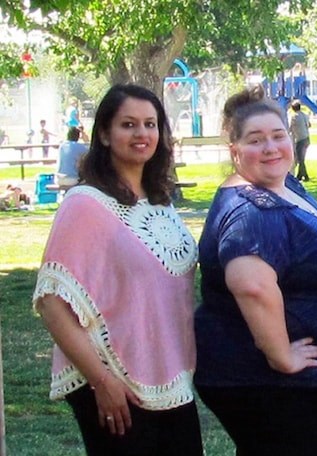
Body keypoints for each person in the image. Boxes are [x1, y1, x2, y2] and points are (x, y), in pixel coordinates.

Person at [194, 86, 317, 456]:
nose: (271, 147)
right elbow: (252, 285)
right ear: (235, 151)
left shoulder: (281, 186)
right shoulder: (252, 211)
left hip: (290, 392)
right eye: (255, 140)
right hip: (268, 384)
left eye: (278, 136)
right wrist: (281, 355)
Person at [32, 84, 203, 455]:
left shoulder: (160, 202)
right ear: (105, 135)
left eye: (150, 124)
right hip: (114, 383)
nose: (142, 134)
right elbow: (51, 302)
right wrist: (101, 381)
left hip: (170, 380)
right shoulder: (85, 205)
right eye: (128, 124)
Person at [289, 100, 311, 181]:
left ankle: (306, 176)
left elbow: (290, 128)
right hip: (307, 138)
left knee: (300, 159)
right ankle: (299, 175)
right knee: (302, 158)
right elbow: (309, 125)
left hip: (300, 139)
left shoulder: (294, 117)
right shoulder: (305, 115)